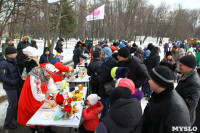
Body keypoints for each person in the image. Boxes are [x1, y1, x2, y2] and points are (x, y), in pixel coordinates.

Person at [141, 66, 191, 133]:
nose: (148, 81)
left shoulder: (176, 109)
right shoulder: (158, 95)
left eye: (150, 79)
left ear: (158, 83)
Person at [17, 64, 59, 133]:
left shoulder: (46, 72)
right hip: (30, 97)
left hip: (38, 97)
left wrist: (55, 95)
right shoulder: (35, 76)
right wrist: (49, 101)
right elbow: (37, 93)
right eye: (49, 75)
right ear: (46, 72)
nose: (49, 76)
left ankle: (47, 130)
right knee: (33, 116)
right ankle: (34, 130)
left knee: (45, 112)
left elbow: (51, 84)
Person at [0, 47, 22, 129]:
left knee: (16, 102)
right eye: (15, 53)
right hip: (10, 87)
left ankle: (16, 116)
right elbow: (3, 77)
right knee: (12, 104)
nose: (16, 54)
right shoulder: (3, 63)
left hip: (16, 85)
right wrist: (13, 82)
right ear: (10, 54)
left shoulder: (13, 60)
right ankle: (7, 123)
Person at [175, 55, 200, 125]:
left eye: (181, 65)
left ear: (189, 67)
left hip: (182, 119)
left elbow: (190, 105)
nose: (179, 67)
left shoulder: (194, 82)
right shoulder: (186, 75)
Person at [97, 47, 117, 119]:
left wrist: (97, 75)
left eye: (102, 55)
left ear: (107, 54)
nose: (101, 56)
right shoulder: (113, 61)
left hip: (104, 88)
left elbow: (102, 79)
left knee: (104, 105)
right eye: (101, 54)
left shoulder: (105, 65)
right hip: (111, 86)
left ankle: (103, 119)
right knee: (108, 103)